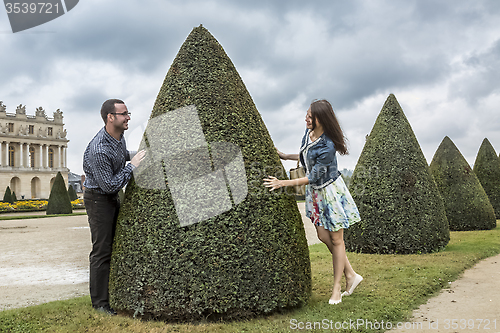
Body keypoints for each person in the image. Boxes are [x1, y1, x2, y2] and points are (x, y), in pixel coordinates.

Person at [264, 99, 362, 305]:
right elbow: (304, 156)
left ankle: (337, 288)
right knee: (322, 236)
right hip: (316, 194)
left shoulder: (328, 146)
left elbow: (314, 176)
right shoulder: (308, 135)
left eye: (310, 116)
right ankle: (351, 274)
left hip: (329, 193)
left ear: (321, 119)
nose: (306, 119)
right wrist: (283, 155)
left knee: (337, 240)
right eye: (307, 115)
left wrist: (283, 183)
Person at [83, 99, 146, 315]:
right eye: (124, 114)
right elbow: (110, 185)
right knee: (102, 251)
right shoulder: (99, 149)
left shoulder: (118, 136)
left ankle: (116, 292)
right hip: (98, 200)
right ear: (111, 117)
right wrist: (133, 166)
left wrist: (137, 154)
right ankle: (100, 304)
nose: (129, 117)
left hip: (110, 197)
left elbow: (120, 156)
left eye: (128, 113)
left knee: (118, 243)